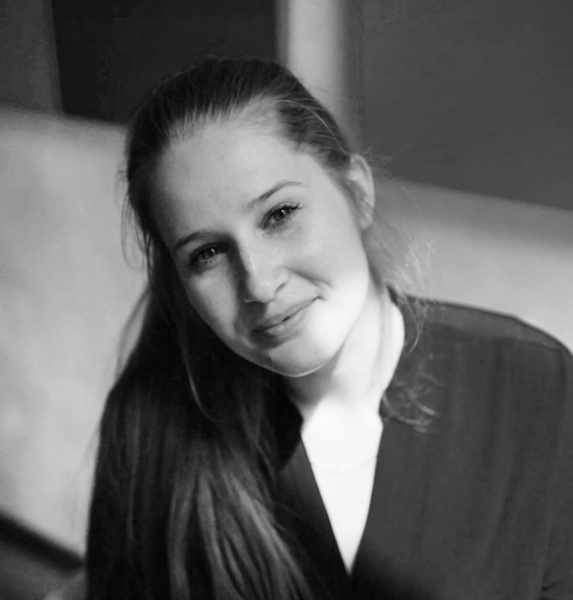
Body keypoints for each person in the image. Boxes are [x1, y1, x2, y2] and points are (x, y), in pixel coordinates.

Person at [81, 56, 572, 600]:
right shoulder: (148, 427)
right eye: (208, 253)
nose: (259, 283)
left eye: (279, 214)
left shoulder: (532, 383)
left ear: (357, 192)